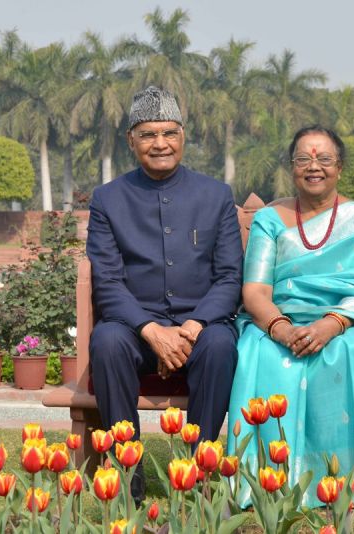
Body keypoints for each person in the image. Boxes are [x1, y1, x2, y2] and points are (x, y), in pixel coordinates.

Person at [227, 125, 354, 506]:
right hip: (279, 322)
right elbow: (256, 291)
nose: (314, 167)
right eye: (303, 159)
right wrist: (282, 329)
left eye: (324, 159)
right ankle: (268, 479)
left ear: (340, 167)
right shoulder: (269, 219)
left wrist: (331, 325)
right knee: (260, 353)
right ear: (291, 167)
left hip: (347, 321)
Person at [87, 86, 243, 499]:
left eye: (169, 133)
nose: (160, 143)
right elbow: (107, 280)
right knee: (106, 341)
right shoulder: (108, 199)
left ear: (183, 136)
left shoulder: (216, 195)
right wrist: (152, 331)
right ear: (131, 140)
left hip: (201, 326)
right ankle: (126, 479)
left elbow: (230, 277)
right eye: (149, 134)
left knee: (220, 346)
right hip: (135, 329)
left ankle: (198, 476)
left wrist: (192, 326)